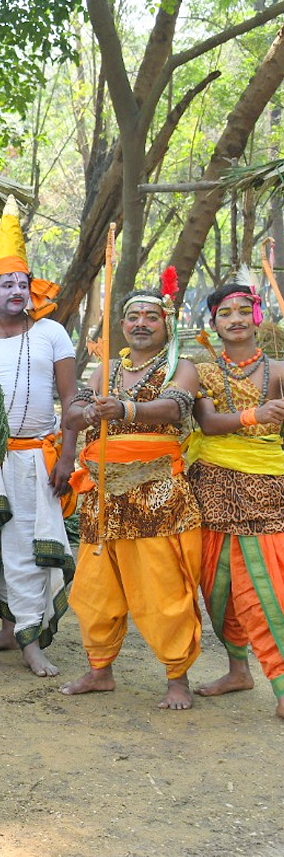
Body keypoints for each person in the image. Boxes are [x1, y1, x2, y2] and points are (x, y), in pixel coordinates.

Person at [61, 276, 203, 710]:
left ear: (166, 321)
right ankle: (100, 670)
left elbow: (176, 407)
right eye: (132, 316)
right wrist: (86, 410)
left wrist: (126, 409)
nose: (140, 323)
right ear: (121, 324)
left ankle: (177, 677)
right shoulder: (108, 368)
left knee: (162, 588)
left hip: (156, 492)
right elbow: (72, 412)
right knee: (95, 587)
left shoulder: (182, 364)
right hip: (103, 495)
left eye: (150, 316)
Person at [0, 196, 77, 678]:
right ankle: (9, 627)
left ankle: (30, 641)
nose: (16, 291)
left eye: (23, 284)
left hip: (33, 458)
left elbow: (71, 403)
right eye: (7, 284)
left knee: (26, 545)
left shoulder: (52, 335)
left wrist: (66, 456)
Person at [187, 284, 284, 718]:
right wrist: (254, 415)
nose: (236, 319)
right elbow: (206, 424)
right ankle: (237, 670)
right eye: (226, 313)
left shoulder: (279, 369)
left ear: (257, 317)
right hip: (212, 487)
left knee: (265, 588)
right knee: (217, 587)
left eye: (245, 311)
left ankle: (282, 687)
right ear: (213, 323)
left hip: (265, 490)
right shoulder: (200, 372)